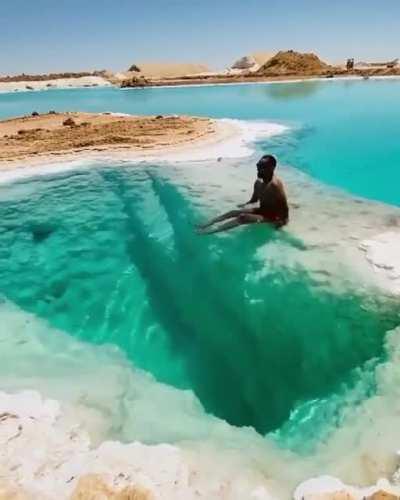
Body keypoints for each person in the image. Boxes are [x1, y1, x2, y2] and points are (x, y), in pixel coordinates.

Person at [197, 154, 289, 235]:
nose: (258, 169)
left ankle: (209, 232)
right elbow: (255, 199)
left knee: (242, 217)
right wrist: (245, 204)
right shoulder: (258, 183)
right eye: (258, 166)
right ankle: (205, 225)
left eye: (262, 167)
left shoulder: (275, 185)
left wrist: (281, 225)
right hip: (262, 210)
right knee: (233, 212)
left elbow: (284, 208)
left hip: (272, 217)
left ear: (272, 168)